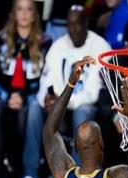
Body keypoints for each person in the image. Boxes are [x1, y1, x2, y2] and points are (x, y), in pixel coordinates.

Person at [0, 0, 50, 178]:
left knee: (30, 110)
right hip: (5, 95)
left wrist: (24, 97)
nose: (24, 14)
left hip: (31, 97)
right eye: (20, 9)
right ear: (14, 13)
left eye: (28, 9)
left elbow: (45, 81)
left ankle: (25, 176)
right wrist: (7, 96)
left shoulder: (45, 43)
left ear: (34, 15)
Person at [37, 4, 111, 163]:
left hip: (86, 106)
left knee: (82, 113)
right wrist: (47, 98)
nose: (73, 29)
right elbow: (45, 81)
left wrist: (63, 103)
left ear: (86, 23)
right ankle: (31, 172)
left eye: (77, 24)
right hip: (60, 104)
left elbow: (93, 93)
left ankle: (78, 172)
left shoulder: (101, 47)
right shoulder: (57, 46)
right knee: (34, 109)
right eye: (70, 24)